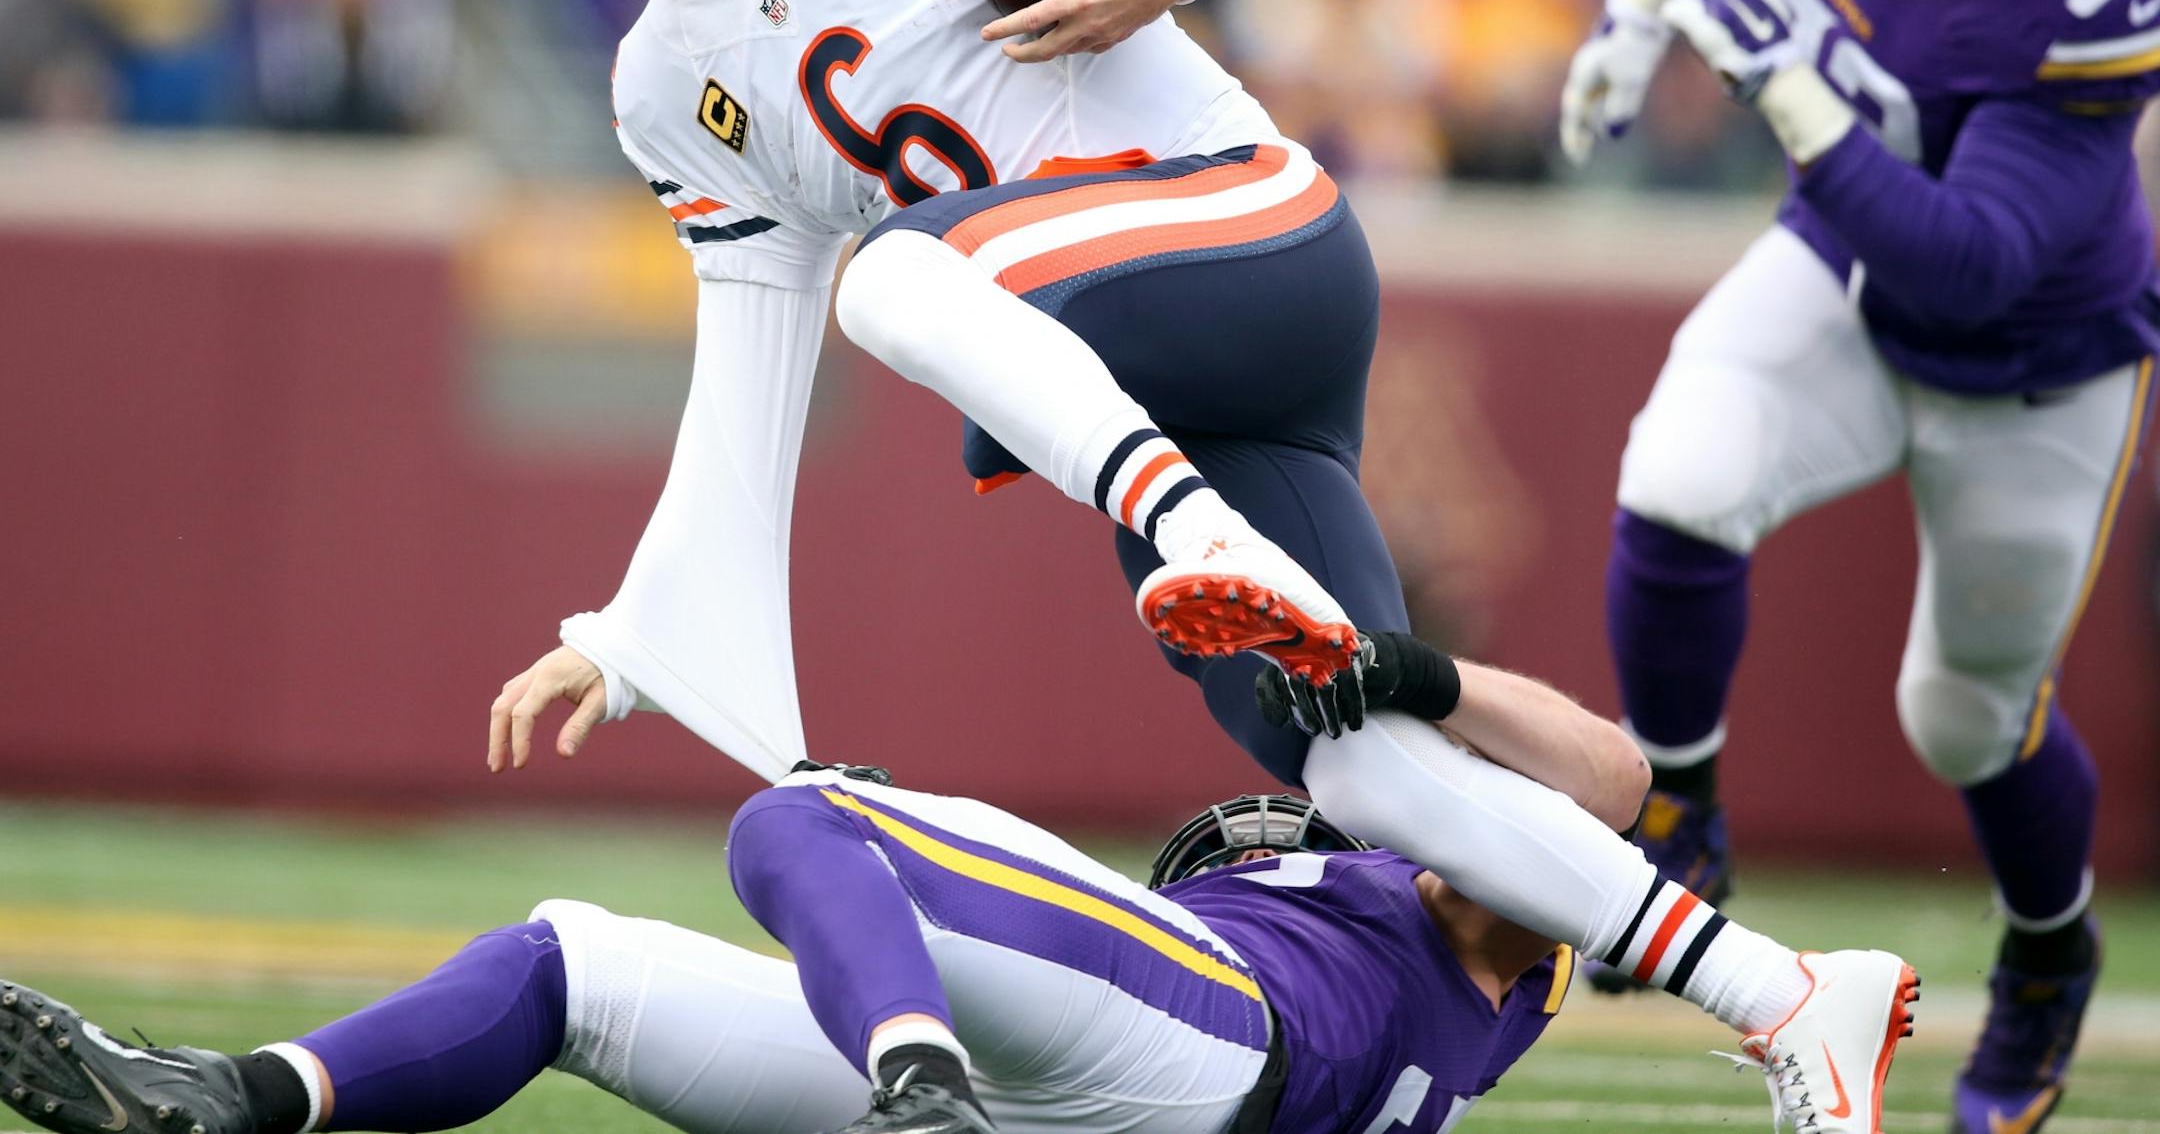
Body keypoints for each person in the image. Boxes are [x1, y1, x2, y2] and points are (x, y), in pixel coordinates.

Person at [475, 0, 1910, 1088]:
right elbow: (747, 369)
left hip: (1241, 229)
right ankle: (1786, 991)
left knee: (898, 272)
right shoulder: (664, 81)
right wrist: (633, 629)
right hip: (1145, 379)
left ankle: (1194, 531)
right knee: (1360, 765)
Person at [0, 642, 1919, 1134]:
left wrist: (1417, 676)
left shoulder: (1511, 917)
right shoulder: (1420, 919)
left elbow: (1606, 784)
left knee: (803, 815)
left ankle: (908, 1082)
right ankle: (236, 1099)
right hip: (1139, 1068)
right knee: (570, 963)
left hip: (1218, 1039)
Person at [1557, 0, 2153, 1134]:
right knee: (1677, 473)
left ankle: (2045, 949)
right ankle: (1680, 804)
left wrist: (1789, 91)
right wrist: (1638, 3)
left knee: (1962, 714)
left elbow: (1973, 261)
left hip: (2033, 364)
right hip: (1840, 266)